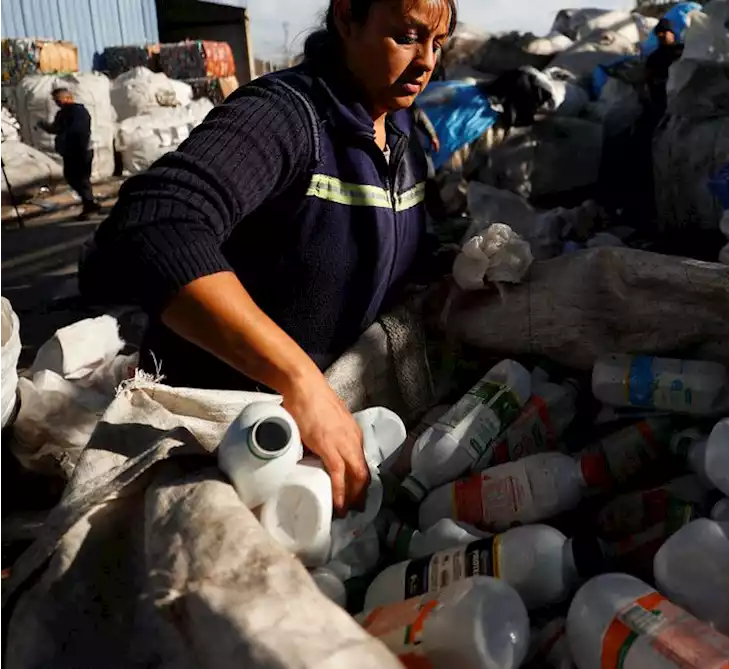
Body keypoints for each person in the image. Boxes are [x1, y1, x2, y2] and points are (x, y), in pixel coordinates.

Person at [79, 0, 457, 514]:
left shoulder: (404, 136)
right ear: (347, 18)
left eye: (438, 43)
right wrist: (296, 378)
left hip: (327, 429)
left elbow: (392, 250)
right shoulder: (288, 117)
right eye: (407, 36)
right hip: (226, 441)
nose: (427, 61)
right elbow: (157, 221)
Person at [38, 87, 101, 220]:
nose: (57, 103)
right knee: (72, 178)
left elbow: (78, 132)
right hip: (69, 152)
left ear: (68, 98)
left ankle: (89, 205)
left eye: (59, 100)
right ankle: (89, 203)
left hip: (80, 151)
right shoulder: (62, 114)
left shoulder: (78, 112)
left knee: (81, 179)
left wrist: (75, 147)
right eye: (55, 101)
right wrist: (45, 126)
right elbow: (57, 129)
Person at [643, 19, 684, 118]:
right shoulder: (653, 57)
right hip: (663, 101)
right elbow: (649, 79)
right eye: (658, 34)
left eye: (663, 32)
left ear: (672, 33)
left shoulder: (683, 50)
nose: (660, 36)